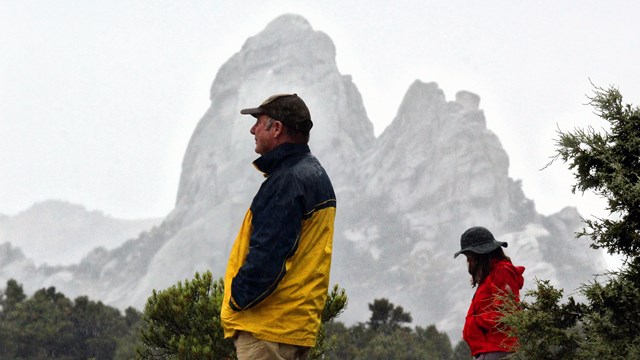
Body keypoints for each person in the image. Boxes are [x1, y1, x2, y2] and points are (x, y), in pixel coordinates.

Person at [220, 93, 336, 360]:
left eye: (258, 122)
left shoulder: (288, 181)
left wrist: (238, 299)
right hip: (292, 327)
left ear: (276, 128)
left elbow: (270, 254)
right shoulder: (313, 174)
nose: (252, 129)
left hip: (267, 329)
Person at [454, 226, 525, 360]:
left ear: (480, 255)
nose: (468, 262)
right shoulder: (491, 275)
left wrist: (476, 321)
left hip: (496, 349)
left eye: (469, 257)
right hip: (489, 349)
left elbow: (506, 312)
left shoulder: (502, 272)